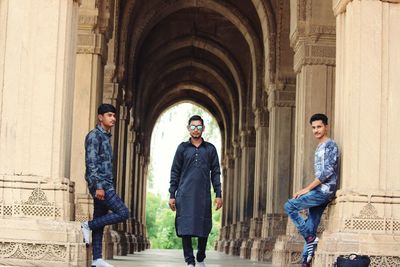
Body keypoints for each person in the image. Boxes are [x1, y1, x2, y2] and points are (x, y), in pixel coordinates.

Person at [284, 113, 339, 267]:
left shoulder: (330, 145)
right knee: (310, 227)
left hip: (324, 191)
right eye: (313, 127)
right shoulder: (318, 147)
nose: (316, 130)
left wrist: (307, 189)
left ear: (326, 127)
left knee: (290, 205)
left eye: (319, 126)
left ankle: (310, 239)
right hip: (319, 192)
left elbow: (327, 172)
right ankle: (304, 262)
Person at [169, 115, 223, 267]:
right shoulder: (182, 148)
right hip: (184, 194)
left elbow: (216, 172)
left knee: (204, 226)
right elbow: (175, 172)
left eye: (199, 127)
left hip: (203, 195)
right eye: (193, 127)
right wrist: (172, 195)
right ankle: (189, 260)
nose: (196, 130)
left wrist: (218, 194)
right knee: (185, 227)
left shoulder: (210, 149)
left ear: (203, 129)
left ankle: (200, 255)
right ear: (188, 129)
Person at [81, 103, 129, 267]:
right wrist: (98, 186)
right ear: (100, 117)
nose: (113, 118)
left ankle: (96, 259)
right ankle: (87, 225)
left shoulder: (106, 137)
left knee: (100, 218)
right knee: (123, 212)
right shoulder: (94, 136)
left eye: (114, 115)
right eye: (109, 115)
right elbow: (91, 162)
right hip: (101, 185)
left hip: (106, 183)